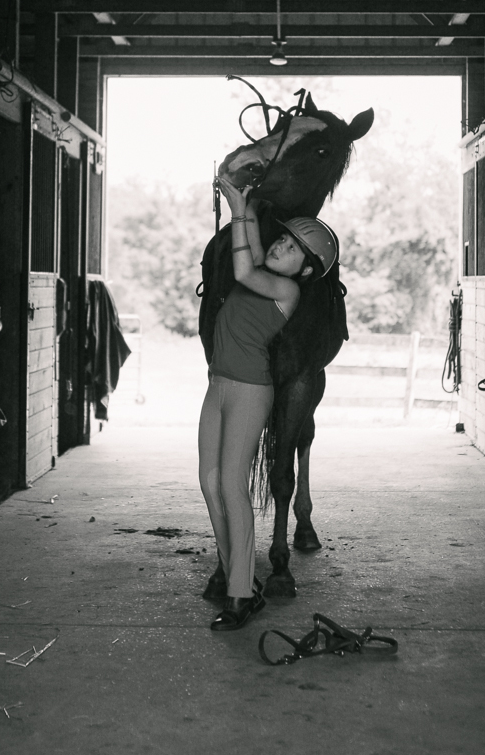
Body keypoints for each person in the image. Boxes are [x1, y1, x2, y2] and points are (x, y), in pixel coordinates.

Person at [198, 177, 338, 631]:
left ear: (305, 269)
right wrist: (241, 206)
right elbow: (252, 253)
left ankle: (241, 594)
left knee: (233, 486)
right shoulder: (267, 270)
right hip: (217, 386)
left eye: (293, 248)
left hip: (248, 391)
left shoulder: (286, 292)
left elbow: (242, 271)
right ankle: (239, 575)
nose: (281, 246)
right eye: (282, 238)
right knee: (209, 481)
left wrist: (240, 214)